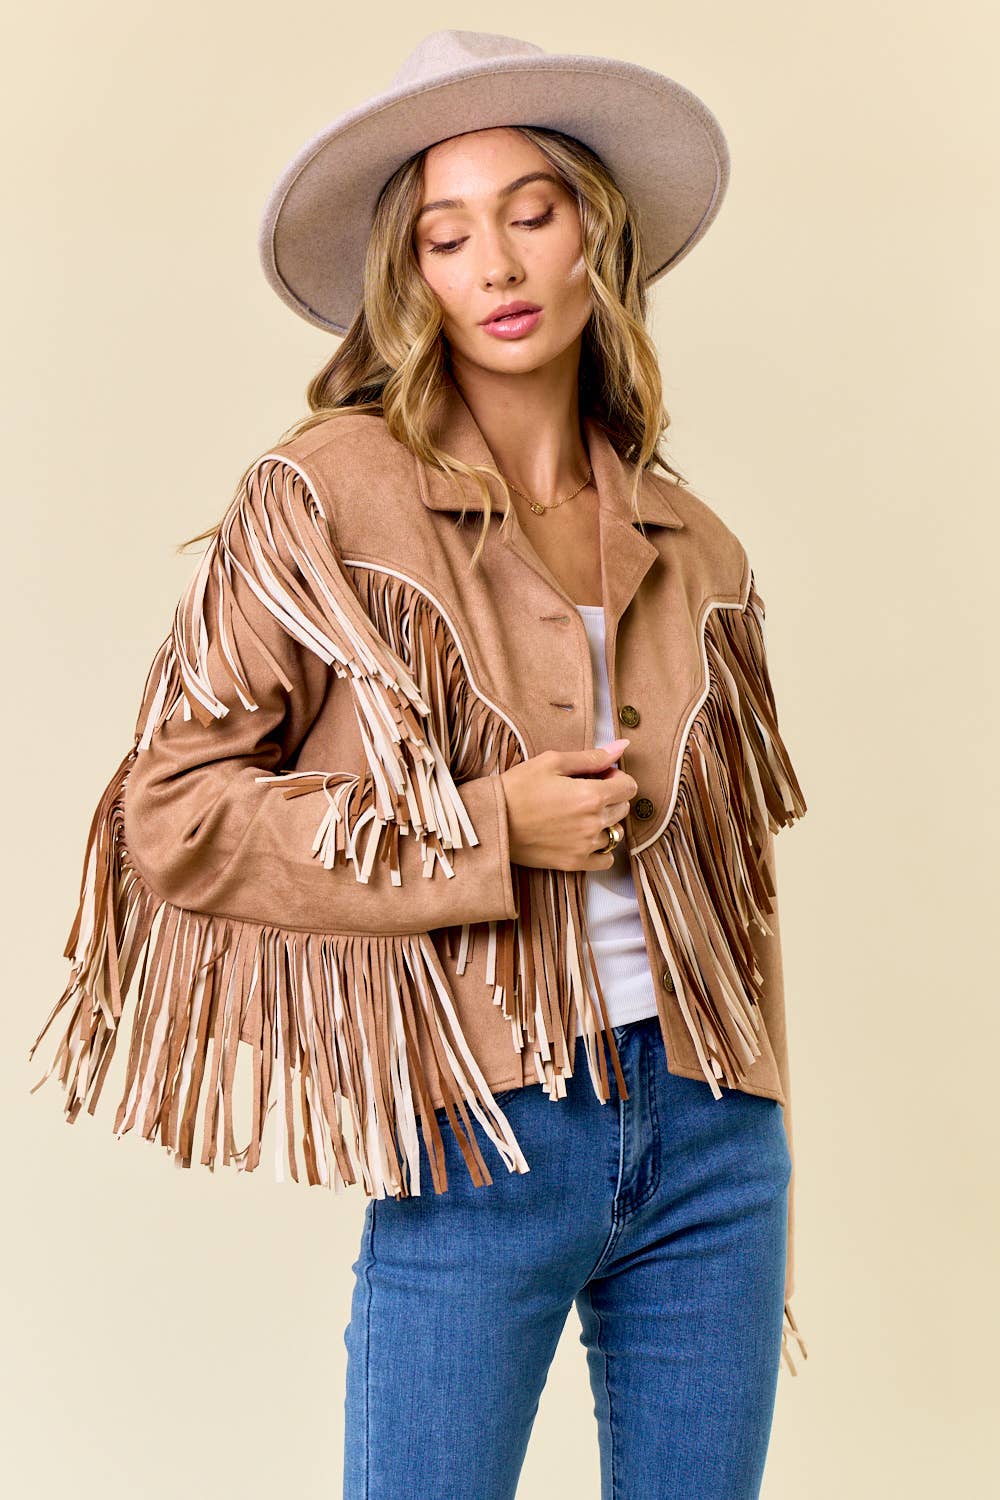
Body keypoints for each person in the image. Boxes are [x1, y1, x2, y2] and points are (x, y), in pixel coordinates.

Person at [27, 29, 810, 1500]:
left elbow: (735, 880)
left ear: (597, 233)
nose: (498, 265)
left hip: (715, 1136)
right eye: (448, 236)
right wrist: (479, 829)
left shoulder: (696, 543)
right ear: (414, 276)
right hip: (487, 1126)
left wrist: (755, 1109)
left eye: (533, 211)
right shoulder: (327, 493)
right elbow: (171, 812)